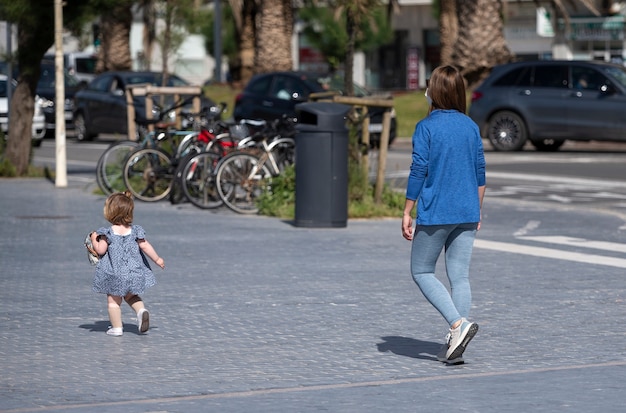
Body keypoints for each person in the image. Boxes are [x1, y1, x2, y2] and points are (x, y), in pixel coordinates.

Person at [401, 65, 486, 364]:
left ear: (434, 91)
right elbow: (480, 174)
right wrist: (477, 209)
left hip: (437, 211)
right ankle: (456, 343)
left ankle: (457, 325)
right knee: (459, 276)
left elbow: (418, 171)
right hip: (467, 210)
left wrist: (407, 210)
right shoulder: (471, 126)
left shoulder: (426, 127)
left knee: (422, 271)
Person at [89, 191, 165, 336]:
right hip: (134, 272)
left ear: (110, 212)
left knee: (113, 302)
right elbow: (145, 246)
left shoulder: (107, 233)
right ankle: (141, 311)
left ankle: (117, 328)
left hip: (115, 274)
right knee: (131, 296)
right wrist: (157, 259)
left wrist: (94, 240)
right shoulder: (135, 231)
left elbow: (100, 250)